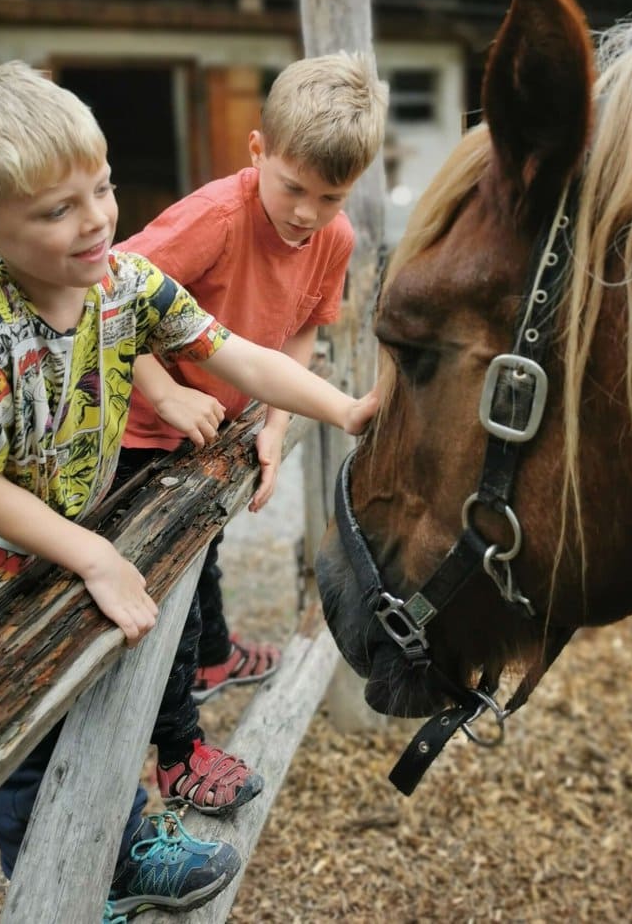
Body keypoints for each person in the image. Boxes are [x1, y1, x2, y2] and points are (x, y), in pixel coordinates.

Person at [0, 61, 377, 920]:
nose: (96, 221)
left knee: (90, 699)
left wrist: (343, 407)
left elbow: (241, 354)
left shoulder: (121, 282)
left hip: (59, 542)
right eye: (56, 209)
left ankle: (117, 848)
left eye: (103, 189)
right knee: (25, 742)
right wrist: (93, 553)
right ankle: (60, 891)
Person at [118, 51, 387, 815]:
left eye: (329, 196)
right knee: (160, 580)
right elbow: (102, 299)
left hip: (216, 422)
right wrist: (165, 391)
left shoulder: (333, 240)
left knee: (205, 540)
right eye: (292, 186)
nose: (306, 211)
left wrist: (273, 424)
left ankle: (211, 654)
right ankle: (177, 749)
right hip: (141, 426)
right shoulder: (213, 219)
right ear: (258, 151)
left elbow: (300, 328)